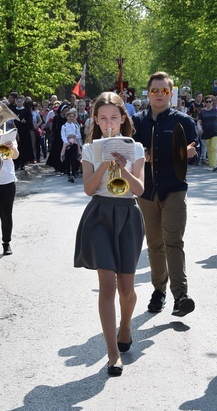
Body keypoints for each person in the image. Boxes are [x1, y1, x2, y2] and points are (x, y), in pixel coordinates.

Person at [74, 92, 146, 376]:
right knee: (107, 285)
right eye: (103, 118)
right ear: (95, 120)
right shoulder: (90, 149)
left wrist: (124, 168)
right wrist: (105, 162)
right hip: (100, 214)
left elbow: (139, 189)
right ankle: (112, 354)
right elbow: (89, 189)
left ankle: (126, 325)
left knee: (127, 289)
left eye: (114, 118)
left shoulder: (136, 148)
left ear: (123, 119)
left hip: (128, 213)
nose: (109, 123)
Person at [132, 72, 198, 317]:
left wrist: (192, 152)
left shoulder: (183, 121)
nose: (159, 95)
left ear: (172, 94)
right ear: (148, 93)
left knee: (173, 241)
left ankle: (180, 295)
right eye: (154, 91)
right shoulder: (137, 122)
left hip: (174, 189)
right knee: (154, 244)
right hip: (147, 190)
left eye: (164, 91)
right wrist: (140, 156)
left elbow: (195, 150)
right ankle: (158, 291)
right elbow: (128, 151)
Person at [197, 95, 217, 171]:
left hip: (215, 131)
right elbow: (199, 122)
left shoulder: (215, 110)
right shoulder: (202, 111)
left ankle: (214, 165)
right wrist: (199, 128)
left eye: (210, 101)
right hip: (206, 132)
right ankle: (211, 165)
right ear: (205, 103)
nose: (209, 103)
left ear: (212, 102)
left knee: (213, 147)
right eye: (207, 101)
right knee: (209, 149)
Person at [61, 109, 82, 183]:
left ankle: (73, 174)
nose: (71, 118)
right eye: (70, 116)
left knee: (73, 159)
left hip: (74, 144)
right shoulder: (64, 126)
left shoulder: (76, 126)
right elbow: (63, 135)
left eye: (72, 117)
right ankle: (68, 174)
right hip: (67, 144)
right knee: (67, 159)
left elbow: (79, 136)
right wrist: (66, 142)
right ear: (67, 117)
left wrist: (74, 135)